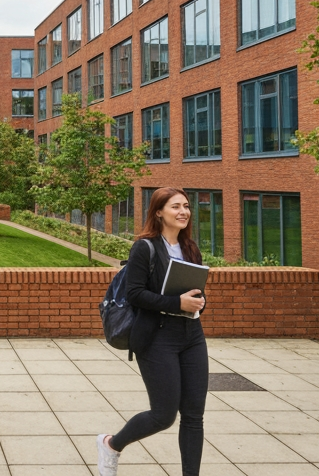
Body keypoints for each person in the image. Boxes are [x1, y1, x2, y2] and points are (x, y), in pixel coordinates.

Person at [97, 187, 207, 476]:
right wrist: (176, 303)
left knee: (194, 415)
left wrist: (198, 302)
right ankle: (111, 444)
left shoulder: (190, 248)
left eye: (186, 206)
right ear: (159, 212)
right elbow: (135, 294)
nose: (183, 211)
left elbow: (197, 292)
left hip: (192, 336)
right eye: (175, 206)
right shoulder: (144, 248)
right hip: (157, 338)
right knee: (163, 415)